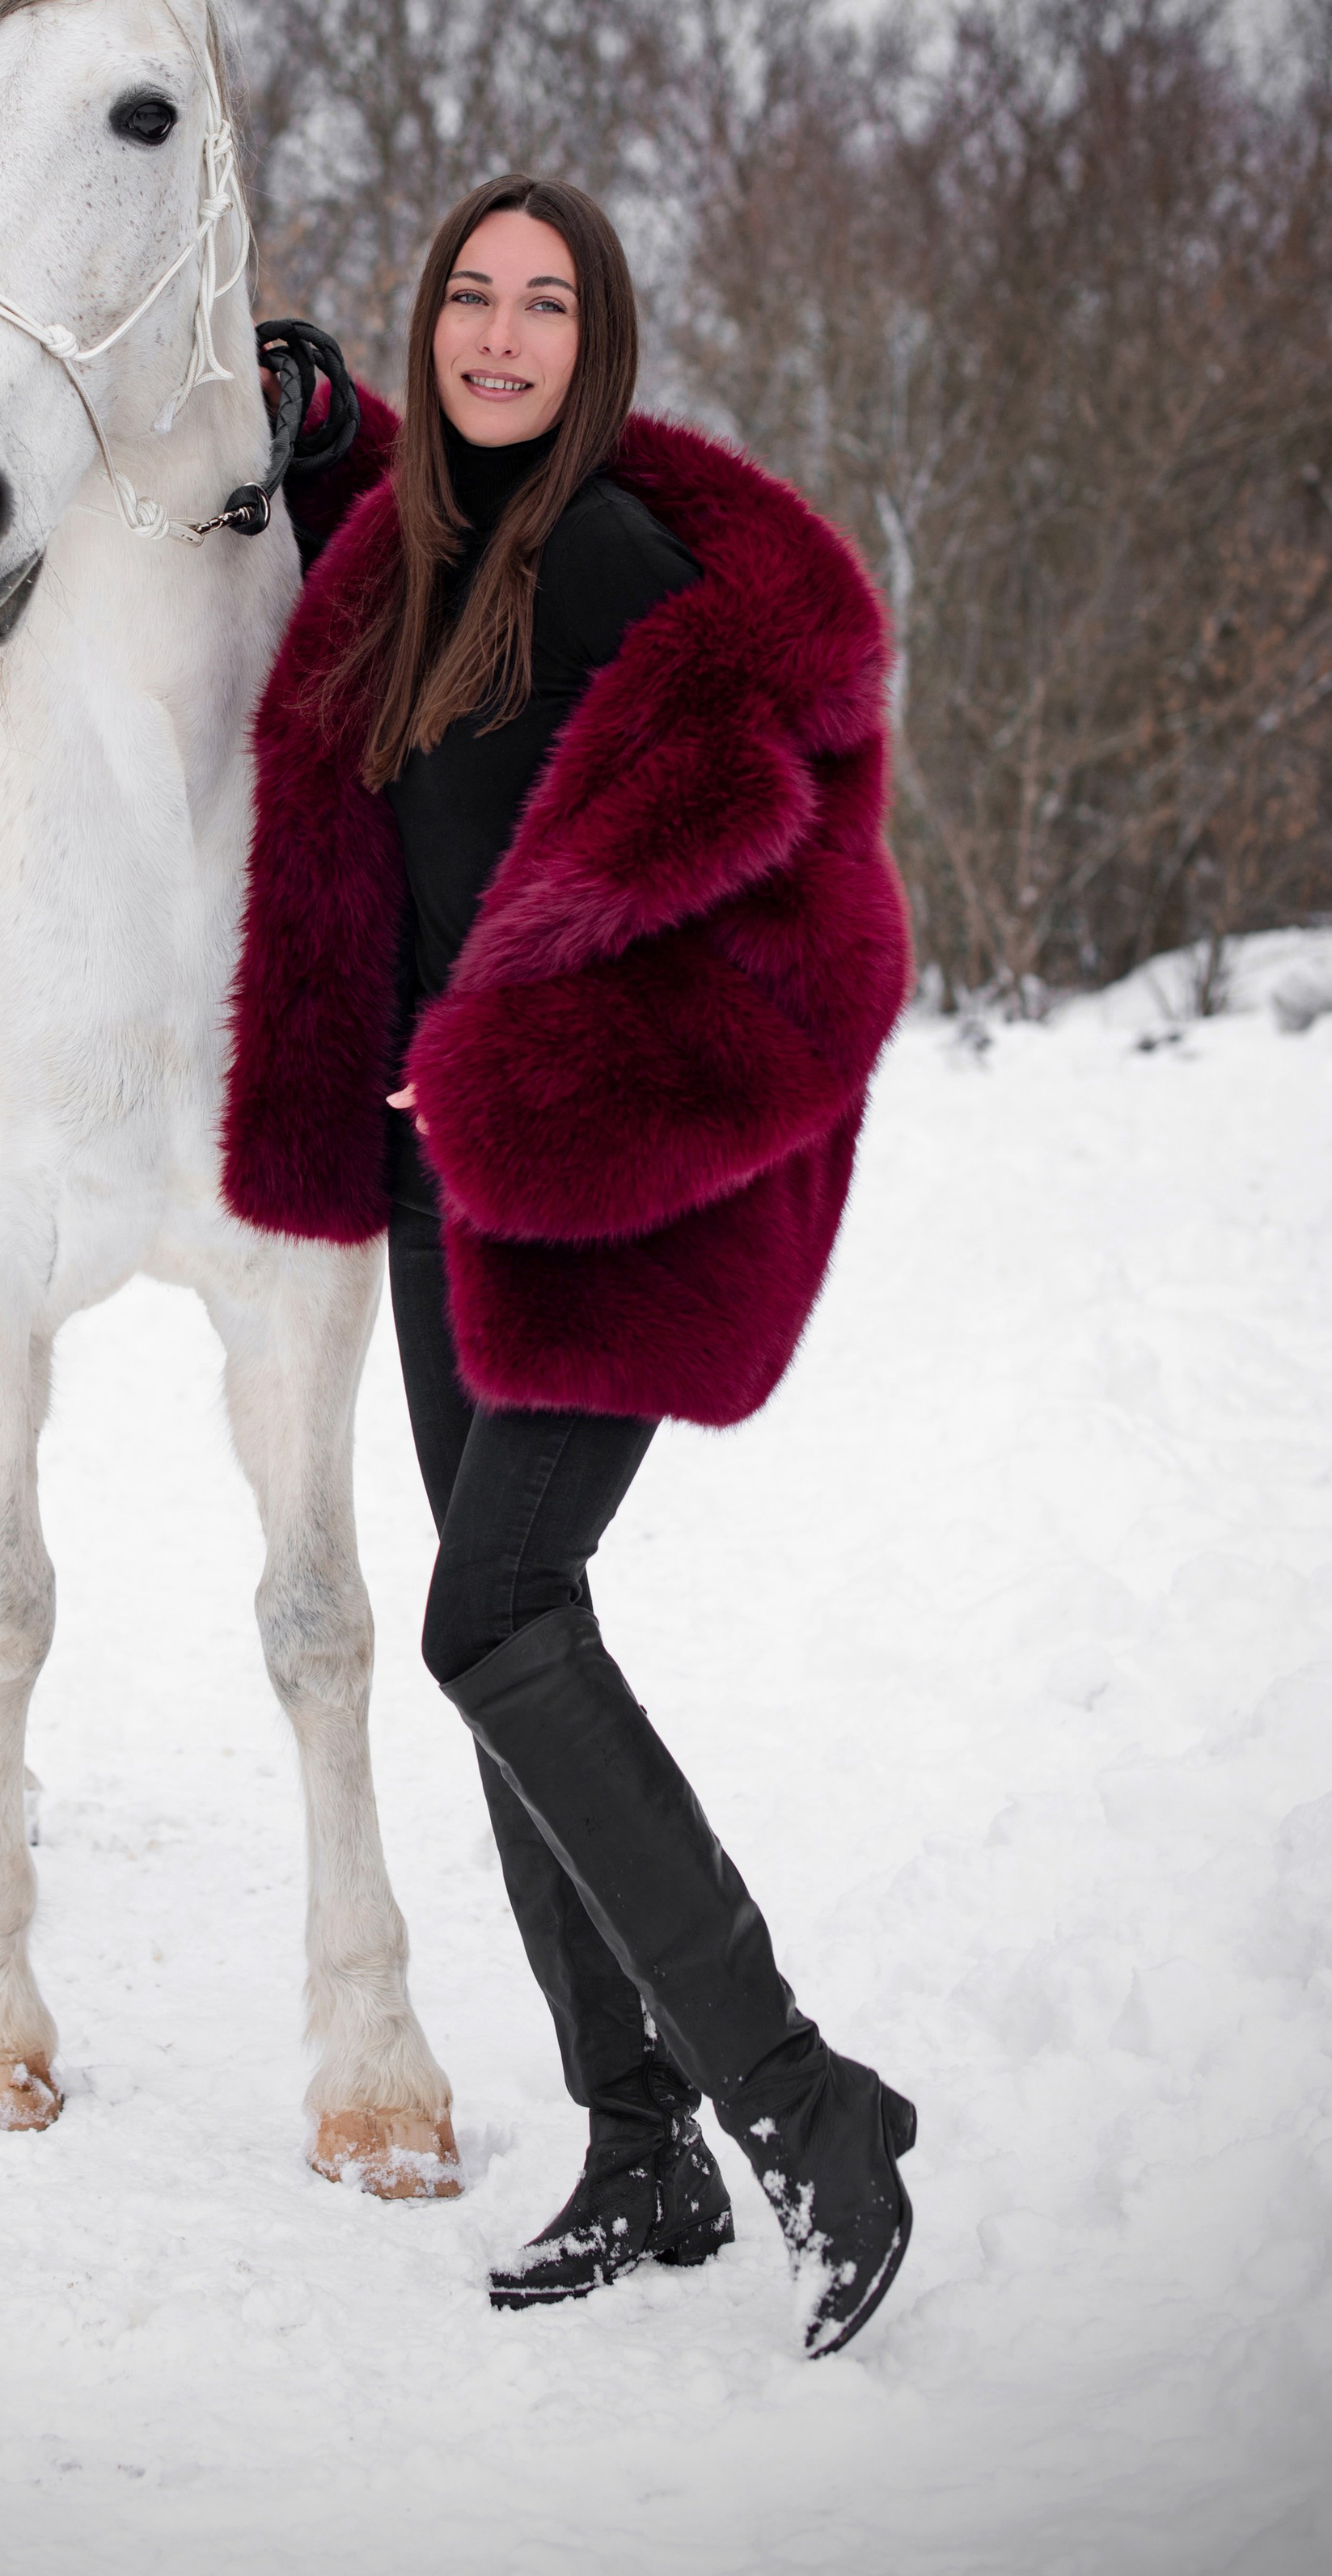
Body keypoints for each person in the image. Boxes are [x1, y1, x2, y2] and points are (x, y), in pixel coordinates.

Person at [223, 175, 918, 2357]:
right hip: (455, 1202)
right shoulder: (420, 558)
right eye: (473, 299)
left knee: (492, 1619)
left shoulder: (618, 566)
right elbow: (395, 591)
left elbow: (795, 934)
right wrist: (315, 427)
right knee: (510, 1638)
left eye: (547, 306)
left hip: (602, 1198)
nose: (503, 336)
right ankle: (641, 2152)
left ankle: (804, 2106)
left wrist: (512, 1074)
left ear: (595, 345)